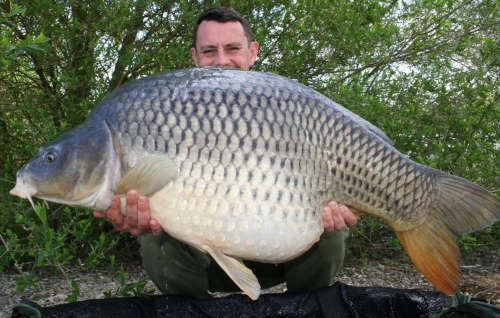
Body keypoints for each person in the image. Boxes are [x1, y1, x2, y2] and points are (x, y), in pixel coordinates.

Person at [94, 6, 358, 299]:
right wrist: (134, 212)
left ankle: (304, 308)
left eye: (232, 48)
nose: (221, 60)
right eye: (209, 51)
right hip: (203, 259)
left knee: (330, 233)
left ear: (252, 52)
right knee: (157, 244)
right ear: (194, 57)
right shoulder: (170, 114)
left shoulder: (288, 109)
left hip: (282, 252)